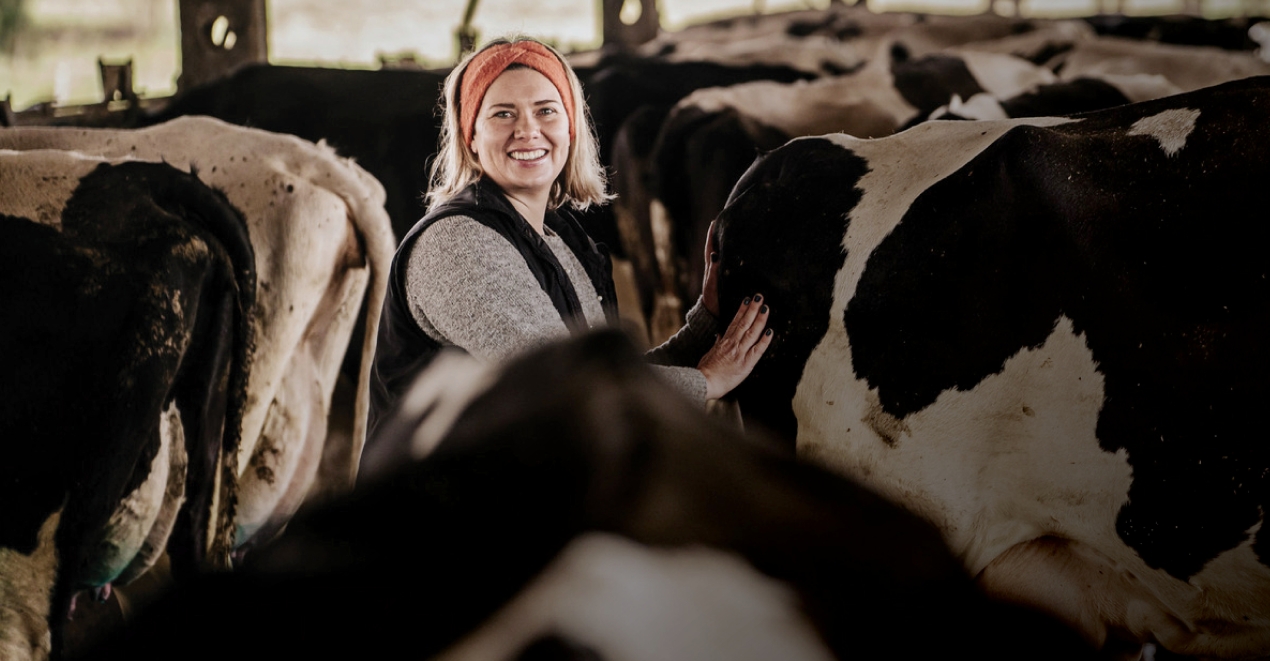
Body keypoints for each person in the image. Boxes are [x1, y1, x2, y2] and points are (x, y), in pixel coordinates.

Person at [367, 36, 771, 438]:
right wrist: (707, 381)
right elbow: (566, 385)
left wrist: (705, 325)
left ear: (571, 127)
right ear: (470, 137)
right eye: (503, 114)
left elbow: (610, 374)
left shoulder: (559, 238)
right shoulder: (456, 244)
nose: (527, 130)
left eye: (546, 110)